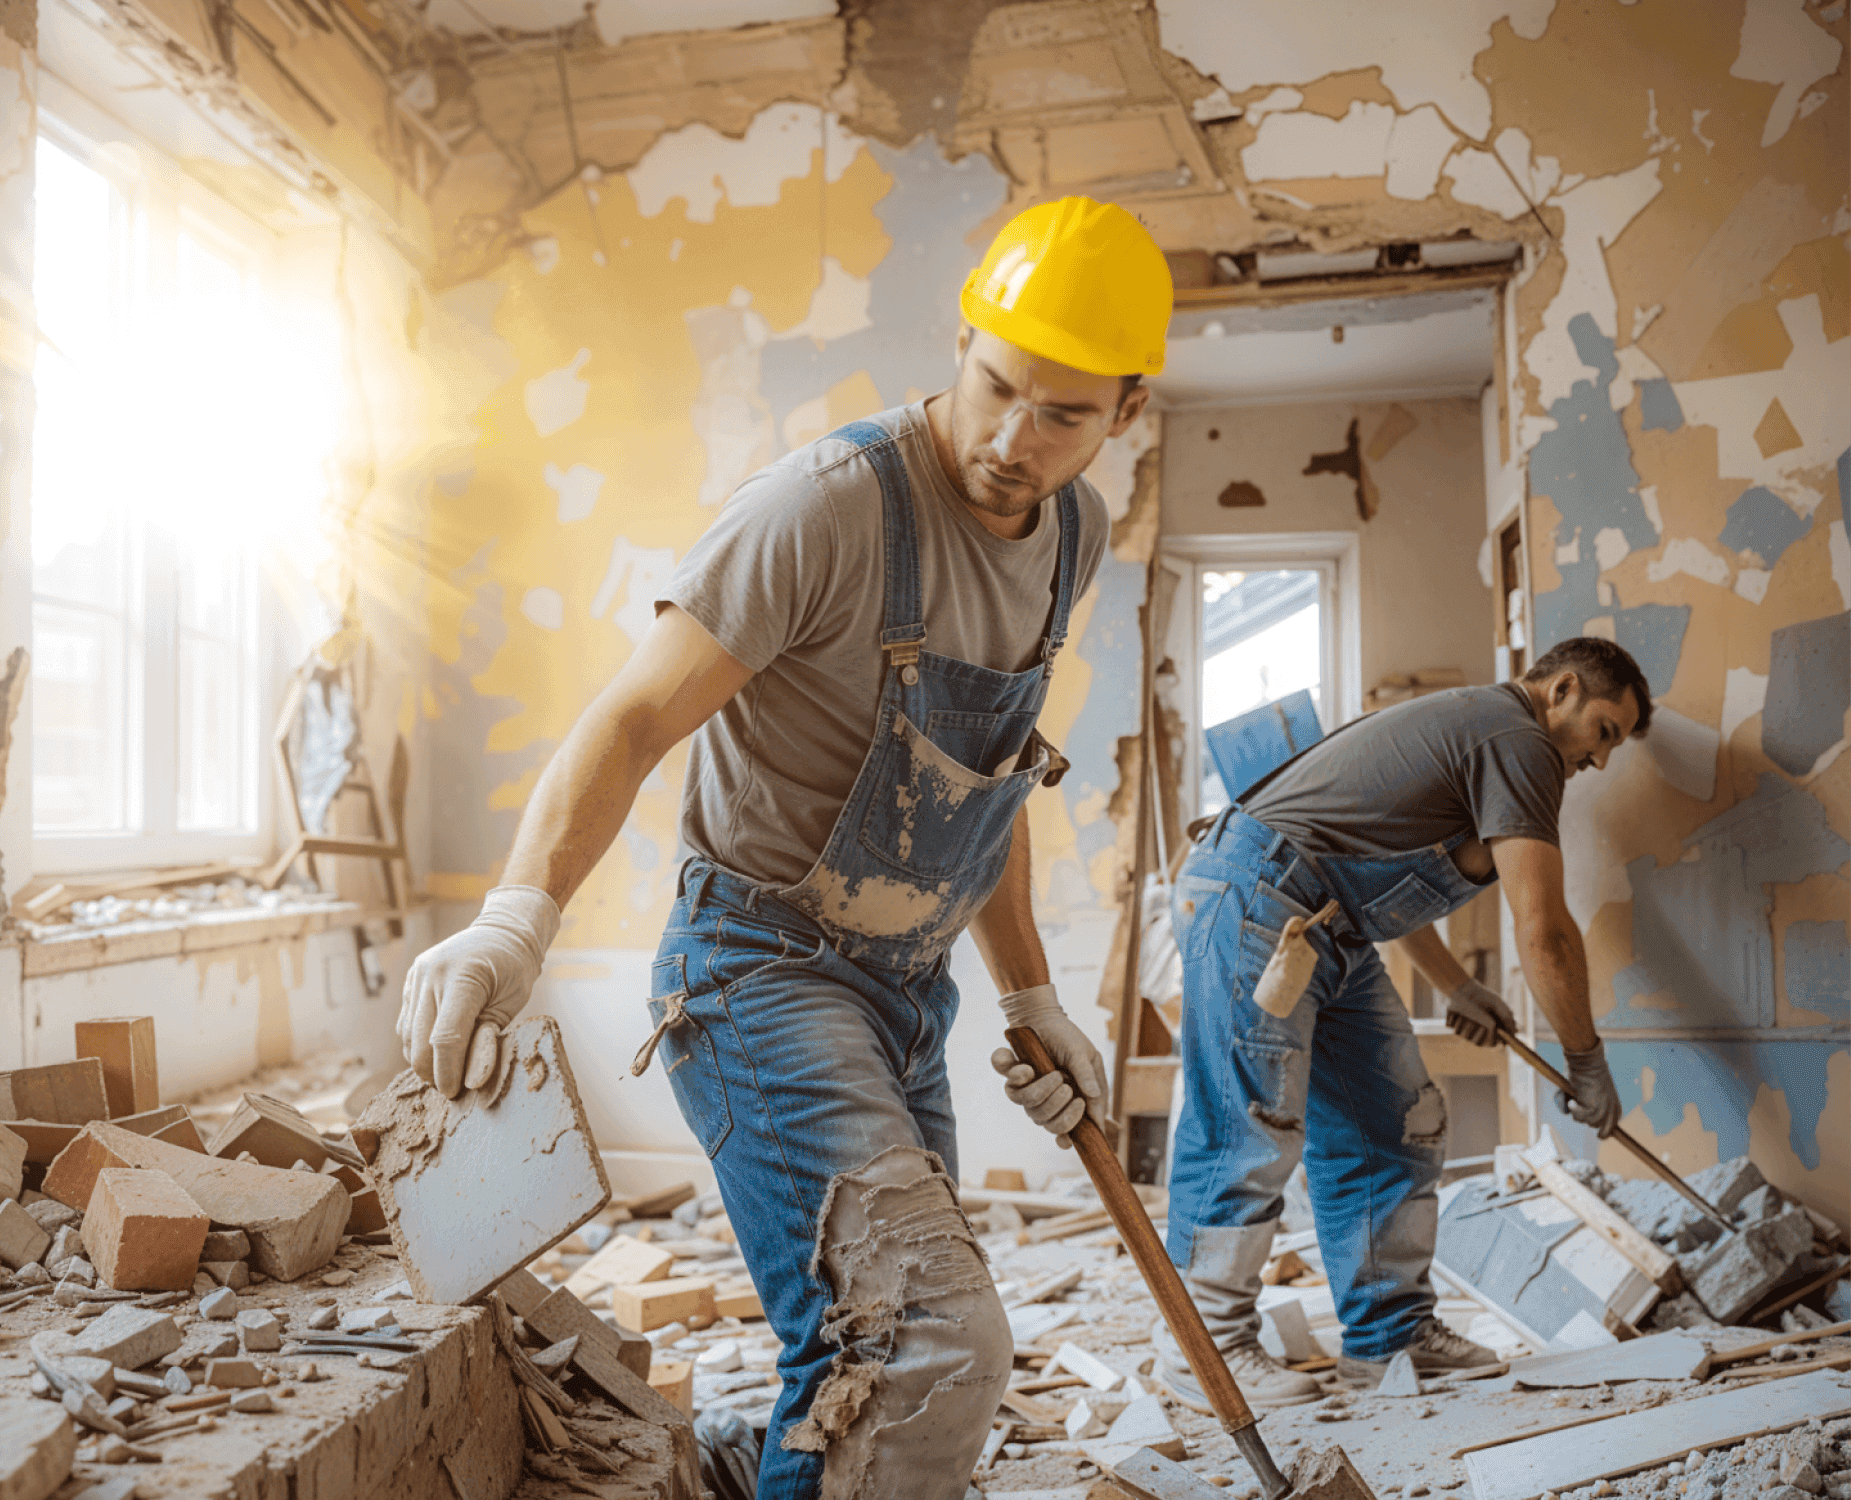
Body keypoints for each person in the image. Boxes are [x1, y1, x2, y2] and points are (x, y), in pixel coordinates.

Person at [395, 195, 1170, 1499]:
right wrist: (514, 922)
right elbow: (633, 716)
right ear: (965, 342)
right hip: (756, 972)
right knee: (923, 1346)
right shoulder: (827, 508)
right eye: (996, 387)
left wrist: (1033, 996)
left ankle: (727, 1477)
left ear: (1125, 414)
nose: (1009, 438)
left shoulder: (1073, 537)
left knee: (879, 1357)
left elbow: (982, 788)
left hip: (903, 993)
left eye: (1062, 415)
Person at [1112, 636, 1649, 1409]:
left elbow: (1377, 862)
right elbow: (1544, 928)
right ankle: (1205, 1348)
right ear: (1561, 690)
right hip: (1261, 899)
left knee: (1389, 1122)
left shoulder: (1488, 733)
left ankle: (1387, 1337)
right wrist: (1585, 1059)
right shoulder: (1521, 742)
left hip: (1326, 920)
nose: (1598, 760)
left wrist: (1456, 986)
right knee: (1247, 1126)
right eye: (1602, 732)